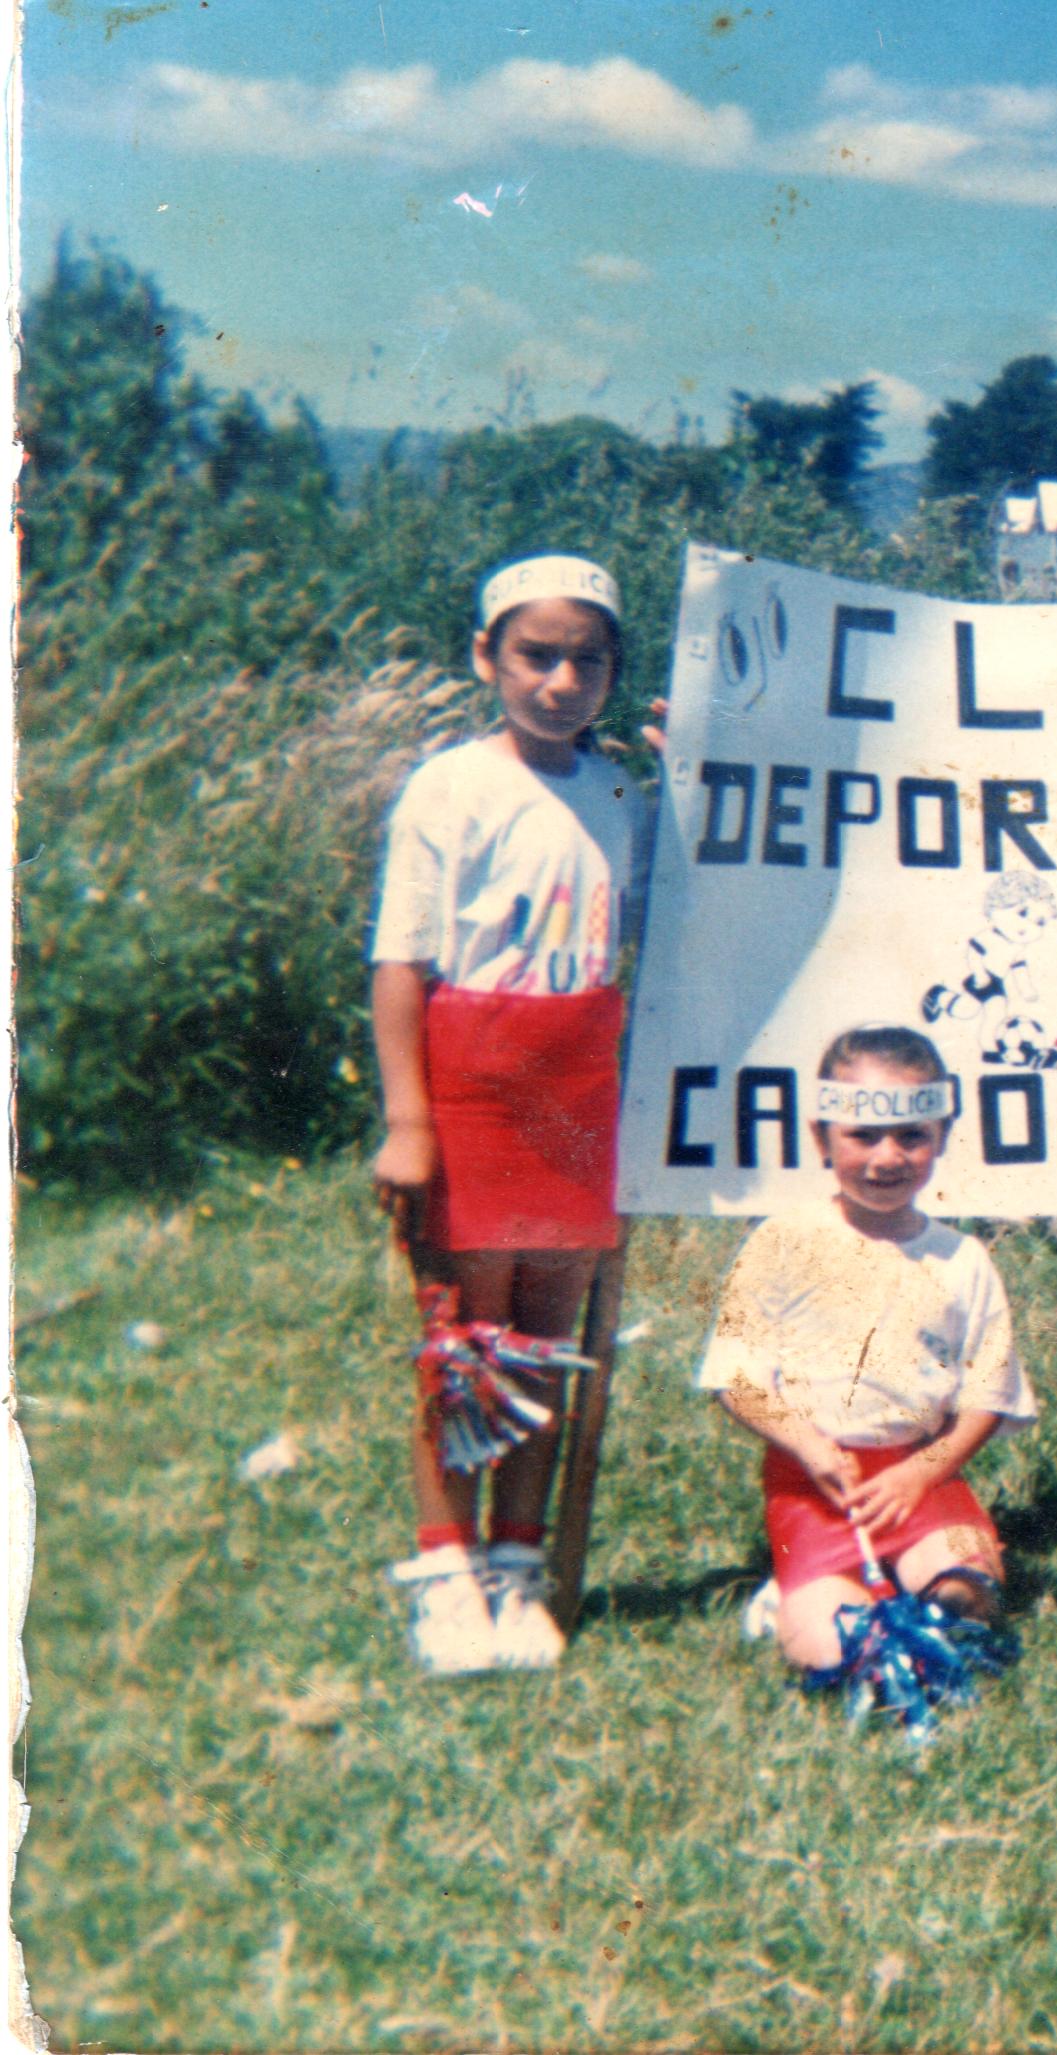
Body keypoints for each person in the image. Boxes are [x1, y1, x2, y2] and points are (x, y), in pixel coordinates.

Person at [369, 553, 651, 1676]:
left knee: (542, 1345)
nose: (561, 680)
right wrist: (409, 1120)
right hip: (469, 1084)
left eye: (587, 660)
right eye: (536, 655)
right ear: (487, 656)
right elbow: (400, 961)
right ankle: (446, 1569)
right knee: (466, 1343)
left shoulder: (625, 793)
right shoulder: (450, 785)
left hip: (576, 1090)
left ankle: (517, 1564)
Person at [696, 1026, 1035, 1676]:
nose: (887, 1157)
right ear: (822, 1137)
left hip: (923, 1479)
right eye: (862, 1135)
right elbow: (734, 1377)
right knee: (833, 1652)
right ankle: (805, 1588)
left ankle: (904, 1573)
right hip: (817, 1483)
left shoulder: (963, 1259)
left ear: (941, 1136)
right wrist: (807, 1443)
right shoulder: (781, 1241)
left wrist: (919, 1473)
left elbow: (986, 1400)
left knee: (970, 1598)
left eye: (912, 1135)